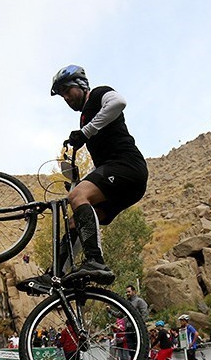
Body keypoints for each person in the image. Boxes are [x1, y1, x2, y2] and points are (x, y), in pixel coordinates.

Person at [17, 65, 148, 294]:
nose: (66, 98)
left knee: (77, 197)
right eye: (62, 95)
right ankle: (55, 275)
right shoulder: (85, 119)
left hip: (128, 166)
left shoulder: (99, 94)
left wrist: (85, 133)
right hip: (122, 181)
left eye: (67, 91)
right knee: (74, 221)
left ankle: (95, 262)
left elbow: (119, 103)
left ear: (81, 85)